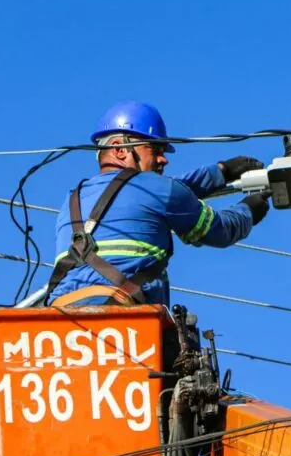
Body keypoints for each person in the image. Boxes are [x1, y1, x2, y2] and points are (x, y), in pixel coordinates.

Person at [44, 100, 270, 308]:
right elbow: (220, 229)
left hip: (61, 320)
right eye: (155, 149)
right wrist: (250, 208)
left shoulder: (73, 198)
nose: (164, 159)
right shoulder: (157, 189)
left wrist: (220, 172)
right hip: (126, 319)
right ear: (120, 150)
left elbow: (157, 193)